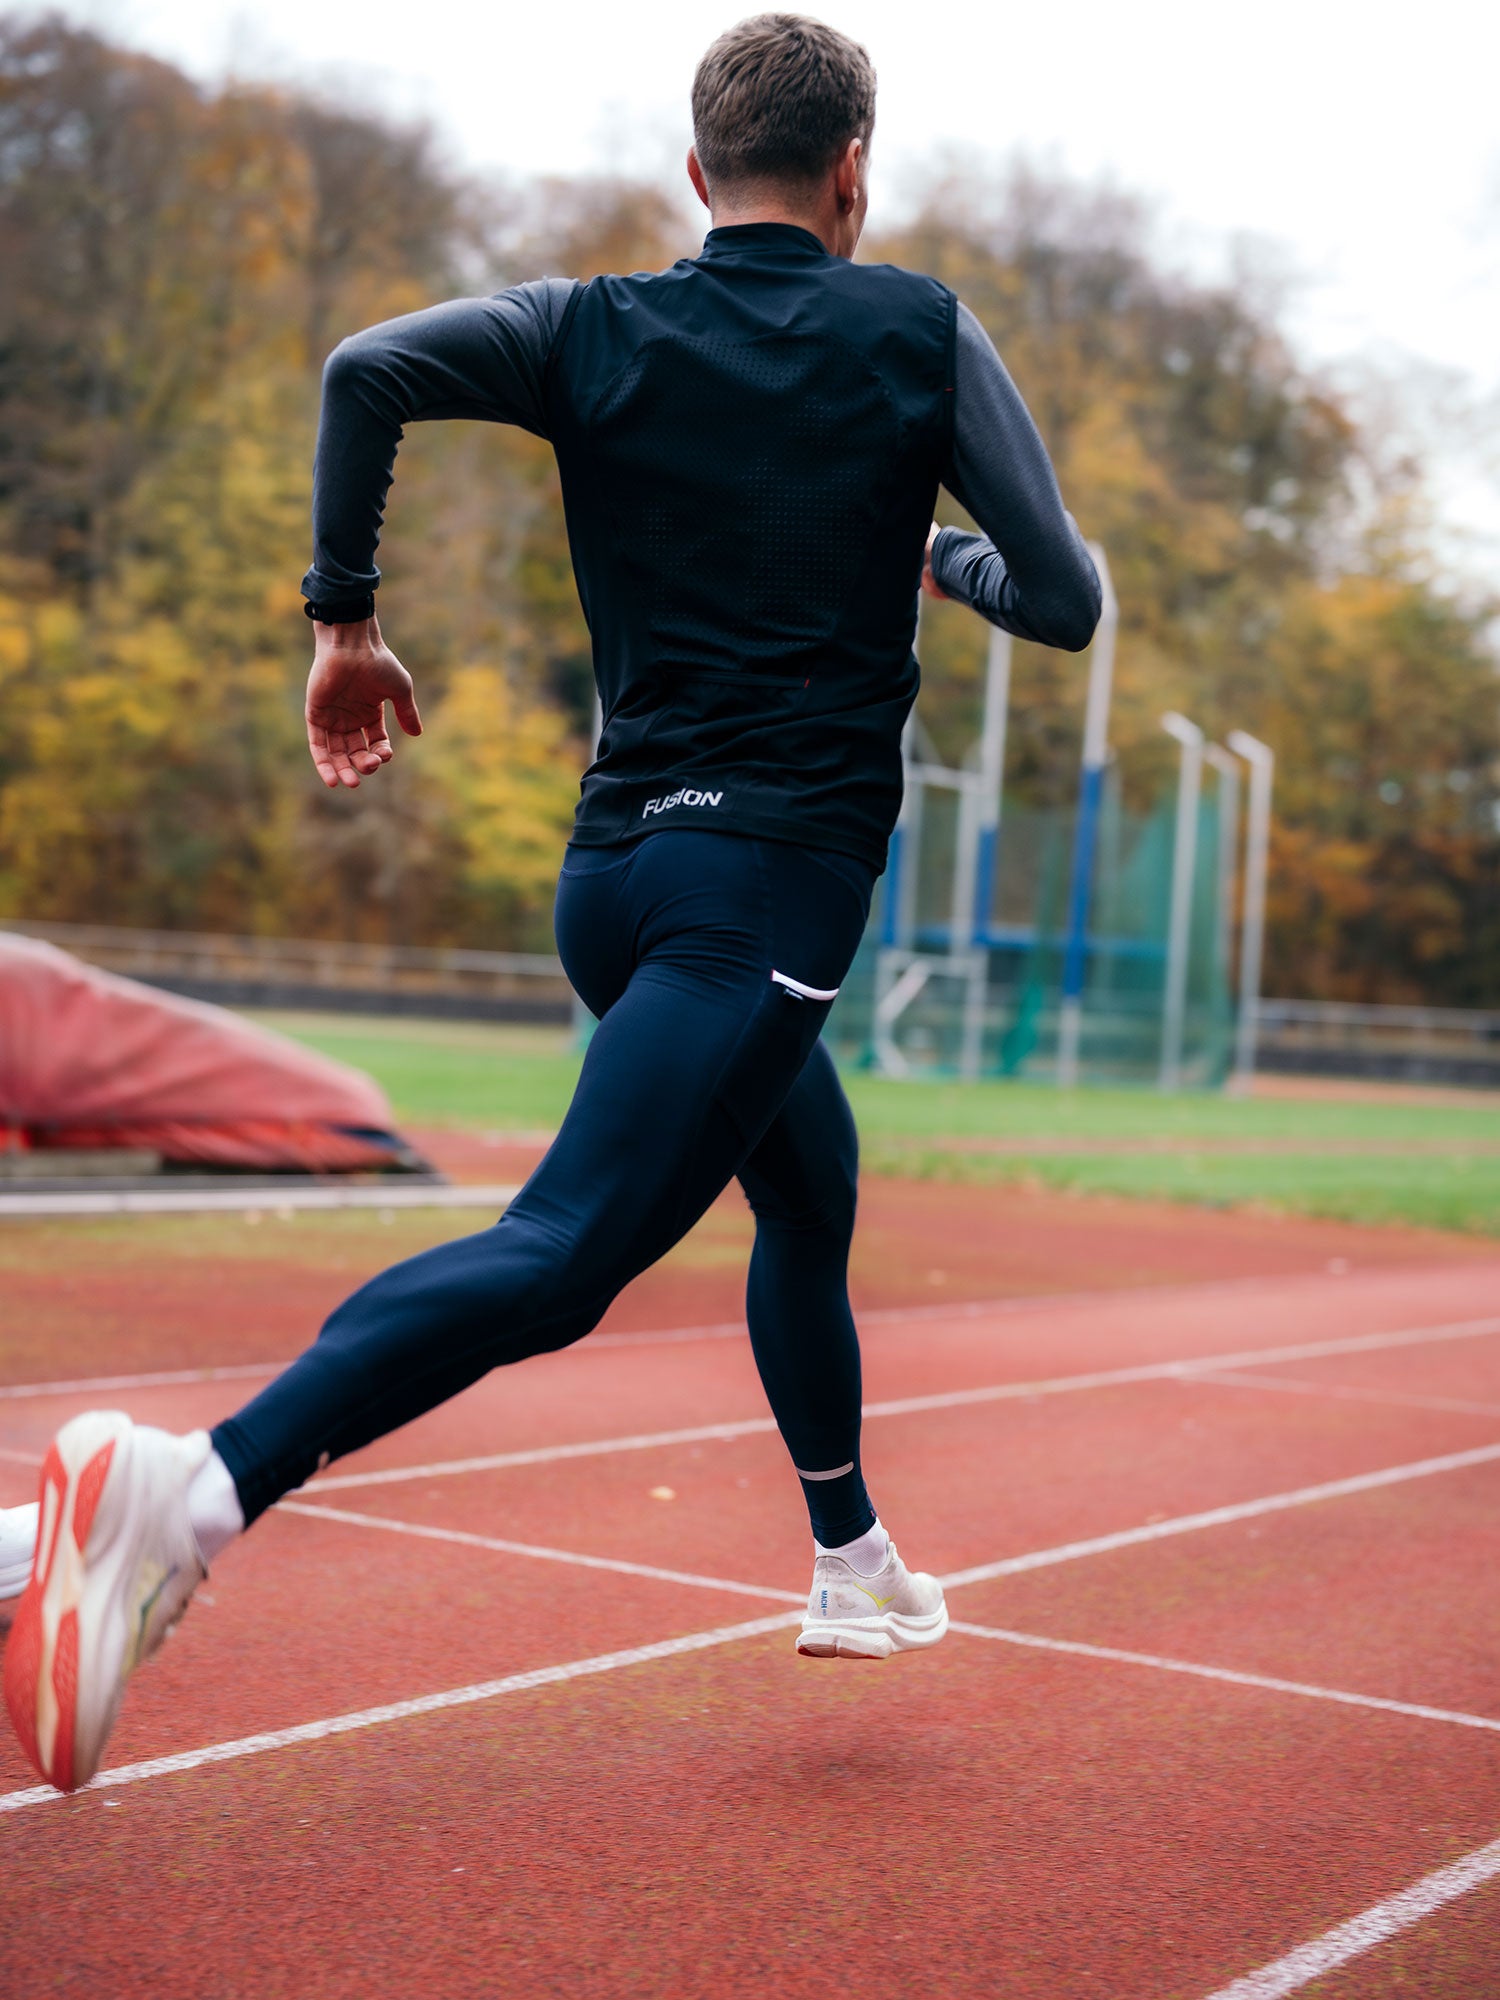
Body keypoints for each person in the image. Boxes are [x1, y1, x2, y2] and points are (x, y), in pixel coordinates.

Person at [4, 13, 1100, 1793]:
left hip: (615, 884)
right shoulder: (919, 328)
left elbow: (365, 365)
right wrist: (940, 556)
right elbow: (1063, 600)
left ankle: (851, 1559)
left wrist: (344, 625)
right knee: (567, 1252)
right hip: (765, 899)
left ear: (696, 175)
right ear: (851, 174)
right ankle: (188, 1496)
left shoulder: (597, 326)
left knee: (804, 1186)